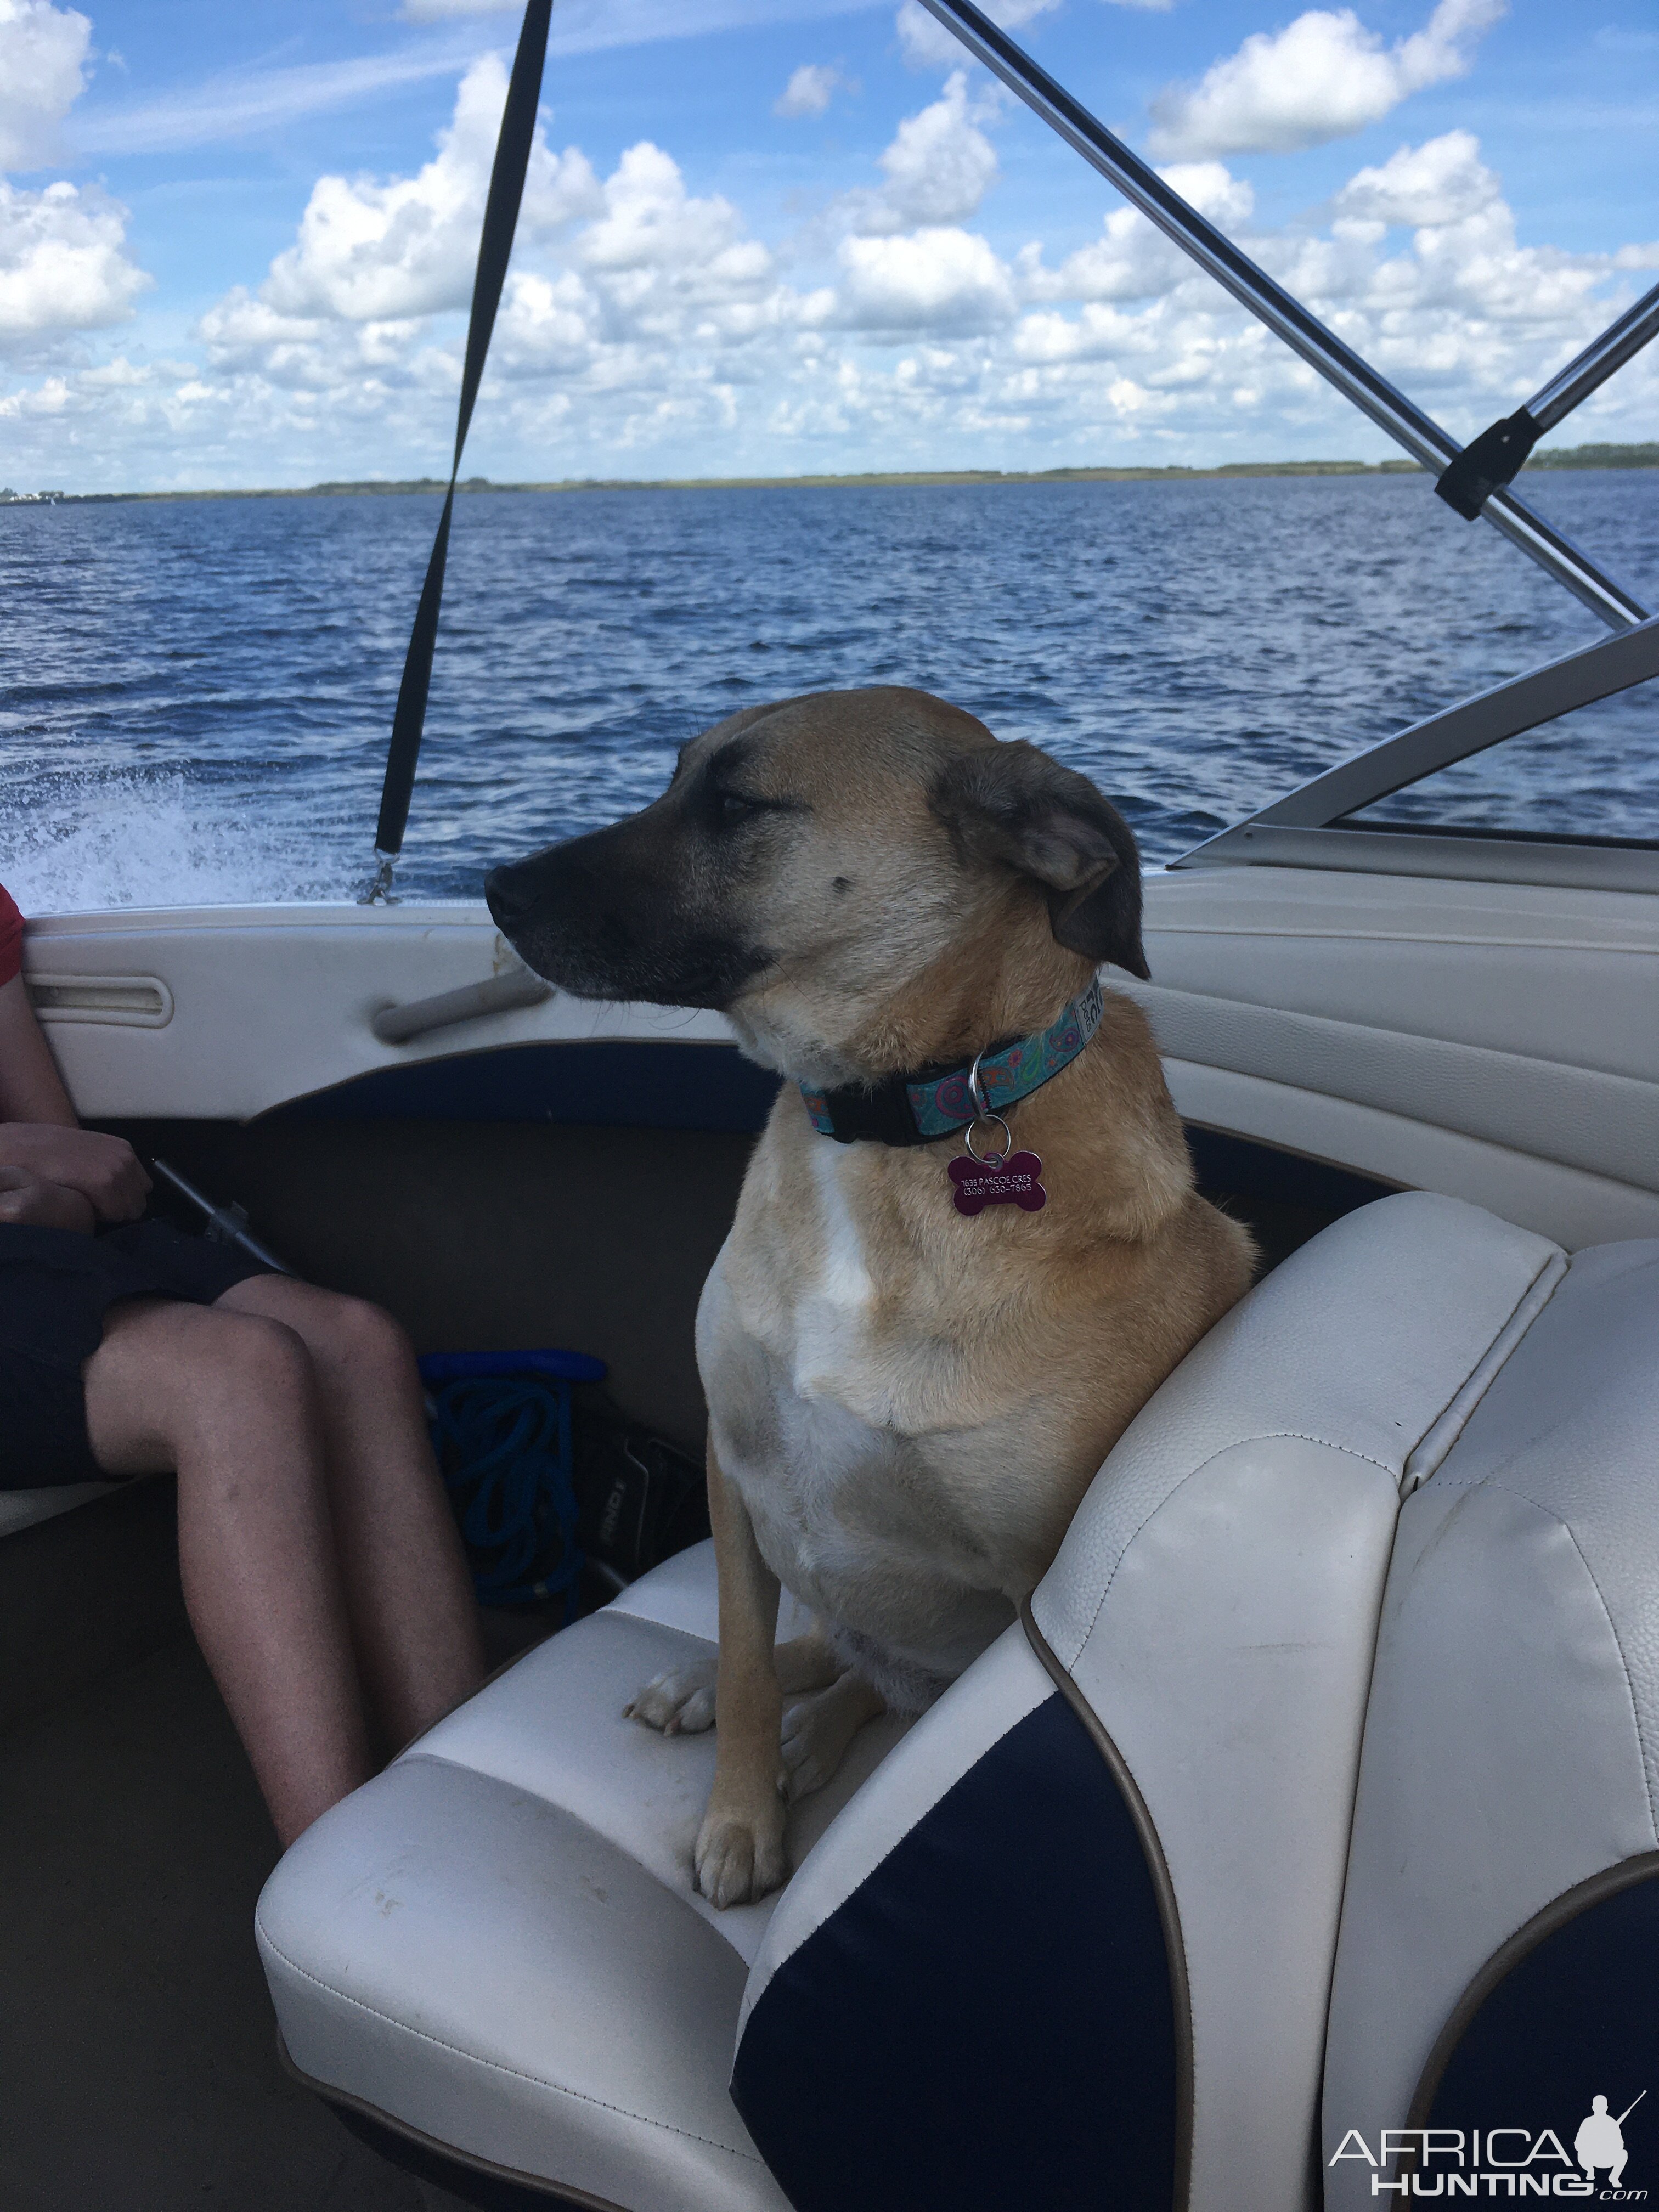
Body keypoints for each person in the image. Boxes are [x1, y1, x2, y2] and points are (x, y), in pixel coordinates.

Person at [0, 881, 485, 1847]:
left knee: (355, 1344)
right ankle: (335, 1903)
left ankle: (462, 1815)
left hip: (29, 1238)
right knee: (237, 1376)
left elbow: (83, 1159)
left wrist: (48, 1191)